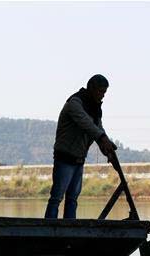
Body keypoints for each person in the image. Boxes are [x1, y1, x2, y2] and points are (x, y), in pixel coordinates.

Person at [44, 74, 118, 219]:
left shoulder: (95, 108)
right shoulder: (75, 103)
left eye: (104, 92)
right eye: (101, 91)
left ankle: (70, 228)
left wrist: (106, 148)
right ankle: (49, 228)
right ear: (92, 89)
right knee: (56, 198)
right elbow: (87, 124)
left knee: (72, 199)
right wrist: (102, 139)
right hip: (65, 158)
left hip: (79, 159)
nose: (103, 96)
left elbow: (98, 128)